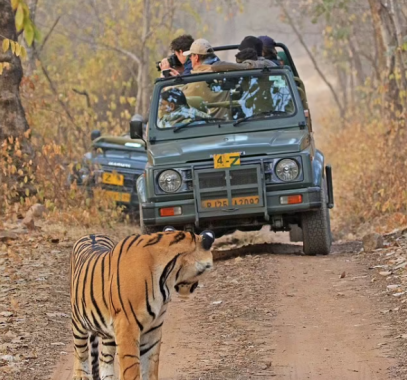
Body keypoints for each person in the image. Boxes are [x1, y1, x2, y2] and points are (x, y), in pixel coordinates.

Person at [181, 39, 228, 118]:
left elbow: (179, 101)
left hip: (205, 127)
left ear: (196, 57)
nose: (190, 59)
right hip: (228, 124)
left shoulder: (195, 83)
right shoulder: (225, 76)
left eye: (191, 56)